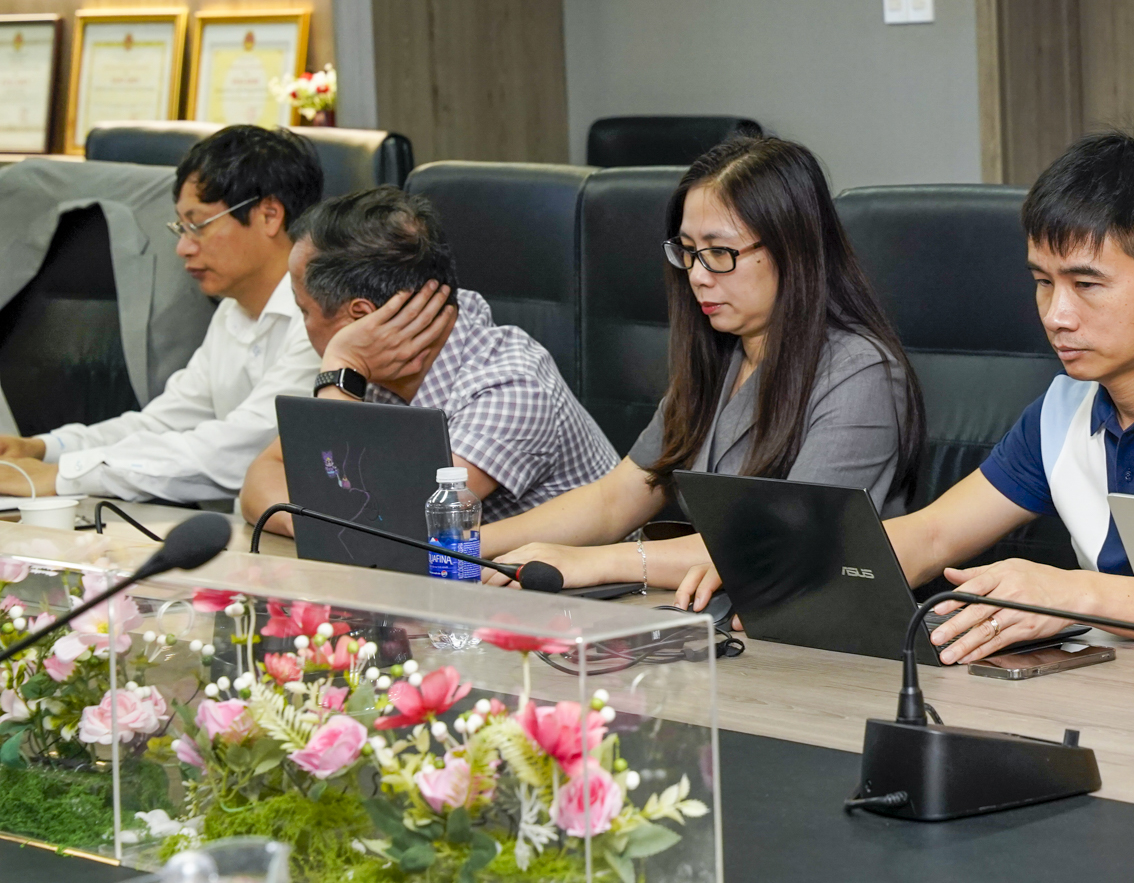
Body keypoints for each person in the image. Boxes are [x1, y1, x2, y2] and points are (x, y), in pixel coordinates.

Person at [792, 124, 1134, 666]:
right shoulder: (1063, 408)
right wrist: (786, 570)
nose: (1057, 315)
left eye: (1086, 285)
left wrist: (1071, 593)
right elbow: (933, 536)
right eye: (1043, 282)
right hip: (1101, 696)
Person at [481, 134, 923, 592]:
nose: (696, 275)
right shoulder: (720, 355)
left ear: (793, 249)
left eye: (718, 253)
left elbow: (782, 544)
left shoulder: (860, 373)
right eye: (689, 252)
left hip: (811, 628)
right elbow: (614, 500)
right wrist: (465, 544)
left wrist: (593, 562)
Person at [238, 187, 617, 532]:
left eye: (304, 310)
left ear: (361, 317)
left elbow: (381, 528)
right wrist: (315, 524)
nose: (303, 322)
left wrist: (341, 369)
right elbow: (261, 478)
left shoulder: (511, 388)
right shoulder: (384, 360)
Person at [0, 126, 323, 503]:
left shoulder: (323, 320)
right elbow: (163, 423)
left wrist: (64, 476)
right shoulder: (232, 312)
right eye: (181, 228)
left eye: (198, 225)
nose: (183, 247)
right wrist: (44, 449)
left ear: (269, 215)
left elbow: (237, 450)